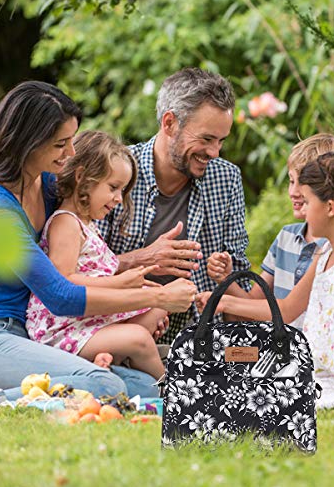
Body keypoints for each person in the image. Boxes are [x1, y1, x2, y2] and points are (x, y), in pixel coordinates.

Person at [0, 81, 196, 401]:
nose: (71, 153)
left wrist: (142, 260)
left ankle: (4, 389)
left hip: (27, 338)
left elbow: (78, 263)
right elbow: (60, 294)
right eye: (60, 144)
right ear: (28, 143)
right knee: (106, 386)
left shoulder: (47, 185)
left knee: (144, 387)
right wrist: (159, 297)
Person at [197, 151, 334, 415]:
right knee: (227, 377)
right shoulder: (325, 254)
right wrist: (224, 301)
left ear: (330, 207)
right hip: (310, 376)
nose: (302, 208)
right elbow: (288, 309)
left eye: (308, 201)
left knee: (244, 401)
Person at [97, 68, 250, 343]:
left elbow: (240, 276)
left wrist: (226, 273)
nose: (214, 153)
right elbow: (80, 273)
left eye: (220, 141)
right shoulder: (113, 173)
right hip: (118, 333)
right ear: (170, 123)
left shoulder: (226, 178)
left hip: (200, 340)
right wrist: (142, 259)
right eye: (206, 139)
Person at [26, 130, 169, 379]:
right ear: (83, 178)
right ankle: (171, 390)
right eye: (113, 188)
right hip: (62, 328)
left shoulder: (87, 224)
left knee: (157, 310)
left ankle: (112, 356)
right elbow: (63, 282)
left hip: (86, 320)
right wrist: (120, 283)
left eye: (122, 191)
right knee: (140, 338)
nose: (118, 199)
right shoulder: (66, 223)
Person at [207, 133, 334, 328]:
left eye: (303, 184)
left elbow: (288, 310)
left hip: (319, 354)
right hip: (280, 352)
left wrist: (225, 303)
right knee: (230, 355)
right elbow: (255, 305)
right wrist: (226, 278)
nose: (293, 192)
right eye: (291, 181)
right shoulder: (286, 238)